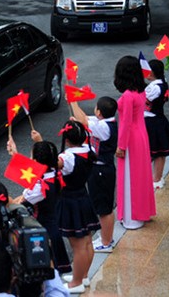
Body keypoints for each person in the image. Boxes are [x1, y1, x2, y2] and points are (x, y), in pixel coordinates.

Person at [6, 134, 71, 275]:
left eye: (31, 157)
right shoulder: (54, 172)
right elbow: (31, 171)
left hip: (44, 232)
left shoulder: (40, 188)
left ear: (36, 161)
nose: (29, 160)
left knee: (47, 273)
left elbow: (19, 202)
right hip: (52, 227)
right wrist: (14, 153)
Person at [52, 120, 100, 294]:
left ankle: (76, 282)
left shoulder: (67, 157)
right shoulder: (89, 150)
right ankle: (83, 275)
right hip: (83, 197)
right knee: (86, 241)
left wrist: (39, 142)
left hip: (71, 200)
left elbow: (48, 163)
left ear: (66, 138)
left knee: (78, 245)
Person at [70, 96, 118, 253]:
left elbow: (83, 120)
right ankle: (107, 238)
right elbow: (83, 118)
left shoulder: (104, 127)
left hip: (101, 171)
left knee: (104, 209)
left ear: (99, 112)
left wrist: (73, 100)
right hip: (102, 170)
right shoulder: (105, 122)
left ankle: (106, 242)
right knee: (104, 206)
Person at [114, 55, 156, 230]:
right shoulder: (140, 92)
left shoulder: (127, 96)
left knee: (130, 178)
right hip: (142, 136)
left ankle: (132, 218)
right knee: (141, 176)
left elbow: (125, 124)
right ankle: (141, 212)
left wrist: (121, 146)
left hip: (131, 139)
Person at [144, 59, 169, 189]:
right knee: (160, 152)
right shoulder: (163, 83)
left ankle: (156, 179)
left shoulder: (155, 88)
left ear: (152, 72)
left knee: (158, 152)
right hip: (158, 120)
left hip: (153, 121)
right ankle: (157, 178)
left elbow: (142, 102)